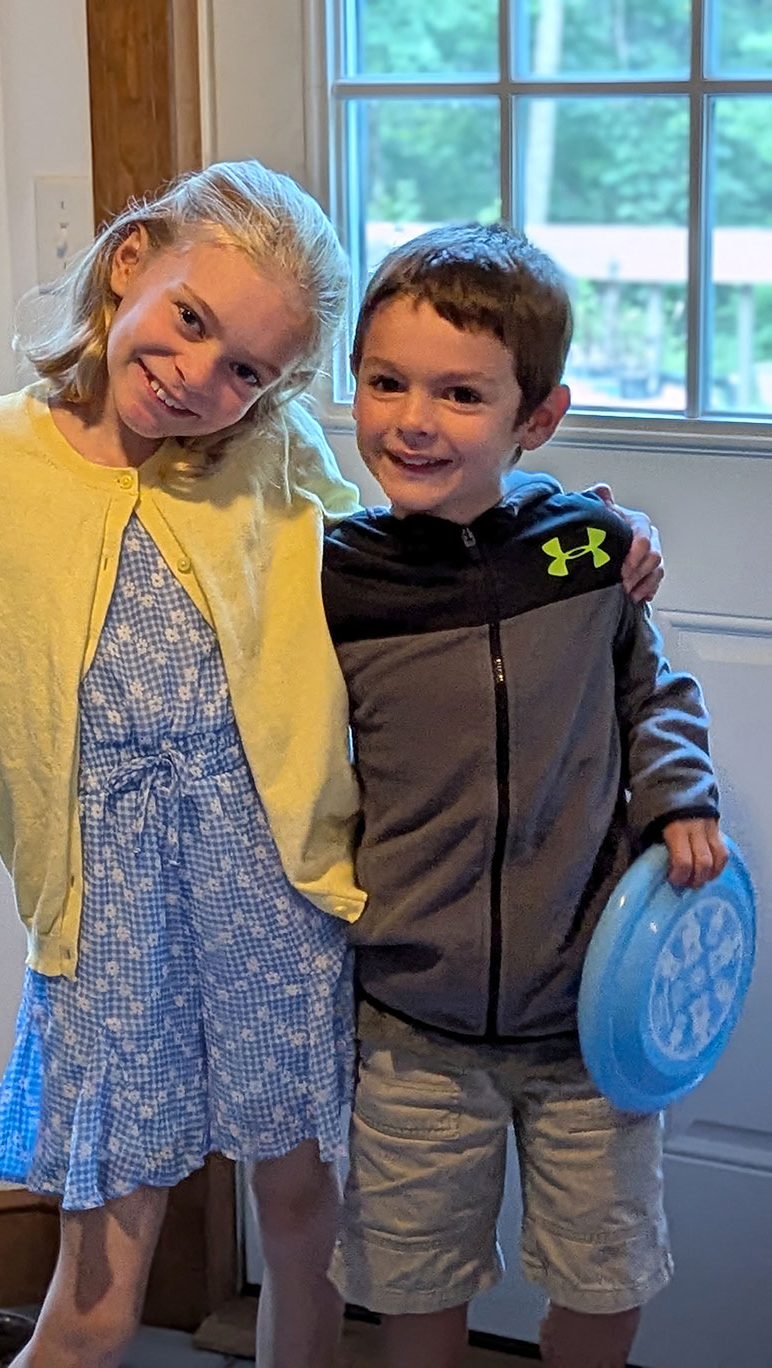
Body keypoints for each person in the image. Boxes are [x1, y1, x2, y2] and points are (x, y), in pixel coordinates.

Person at [0, 162, 660, 1368]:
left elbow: (426, 536)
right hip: (106, 922)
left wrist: (587, 535)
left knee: (304, 1228)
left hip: (277, 904)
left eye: (248, 369)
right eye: (191, 320)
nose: (199, 378)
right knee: (101, 1284)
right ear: (130, 263)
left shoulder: (272, 457)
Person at [322, 222, 726, 1368]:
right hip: (411, 1026)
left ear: (535, 417)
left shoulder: (585, 551)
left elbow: (651, 685)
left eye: (460, 394)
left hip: (592, 1021)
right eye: (386, 382)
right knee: (411, 1288)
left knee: (604, 1279)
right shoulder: (334, 579)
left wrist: (679, 797)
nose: (413, 418)